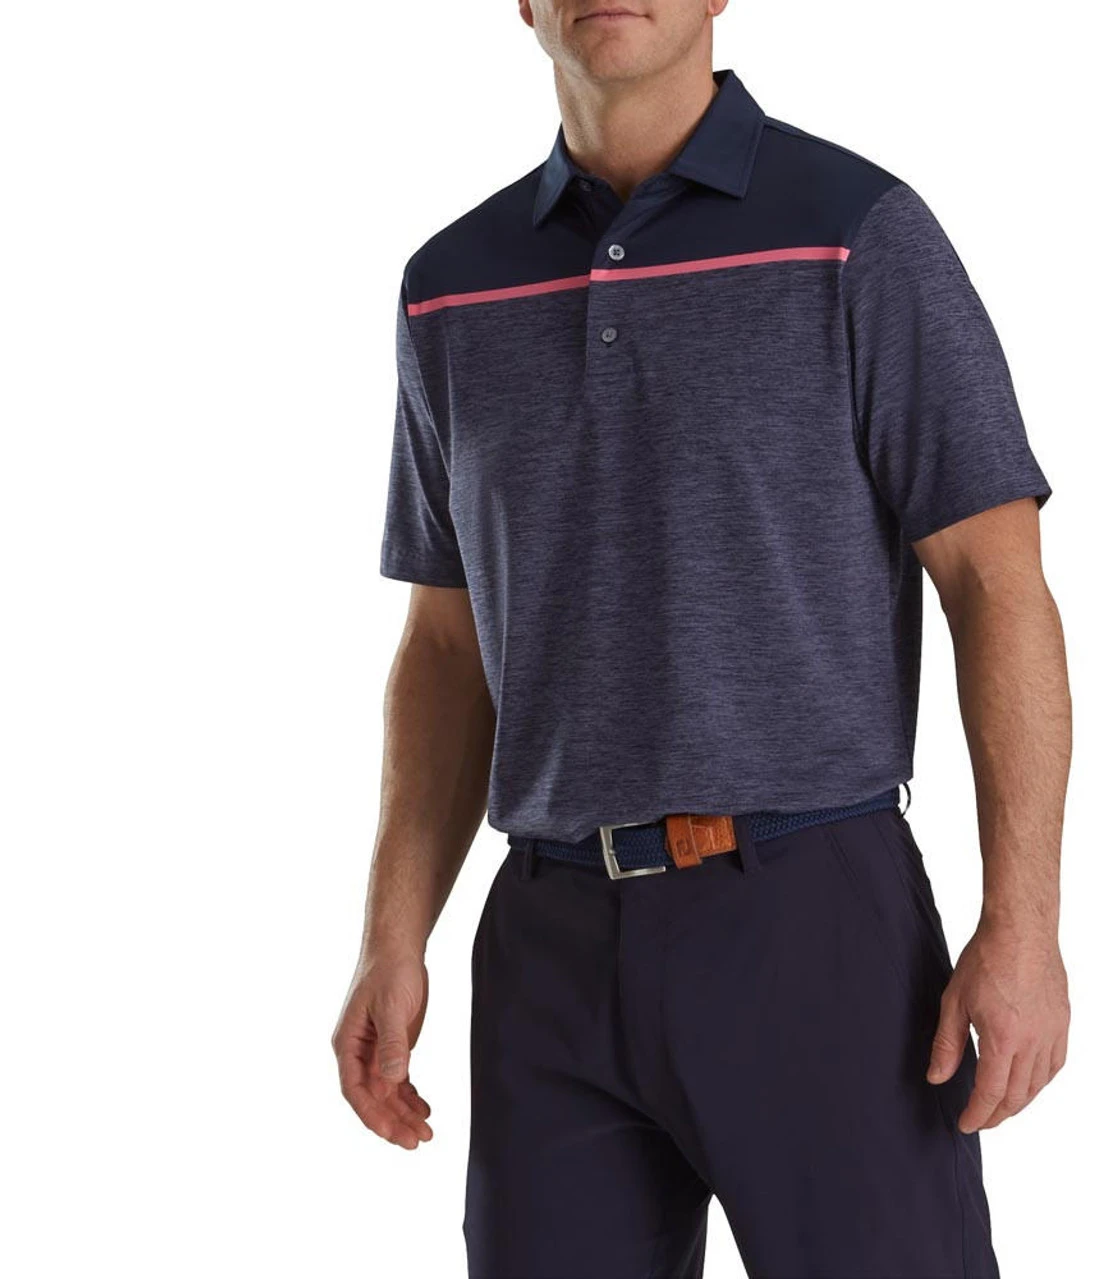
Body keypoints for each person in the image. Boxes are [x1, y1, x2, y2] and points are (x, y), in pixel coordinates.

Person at [332, 2, 1072, 1275]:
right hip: (550, 943)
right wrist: (392, 935)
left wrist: (1024, 925)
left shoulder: (858, 233)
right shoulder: (450, 285)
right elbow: (446, 647)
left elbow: (993, 583)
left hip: (810, 918)